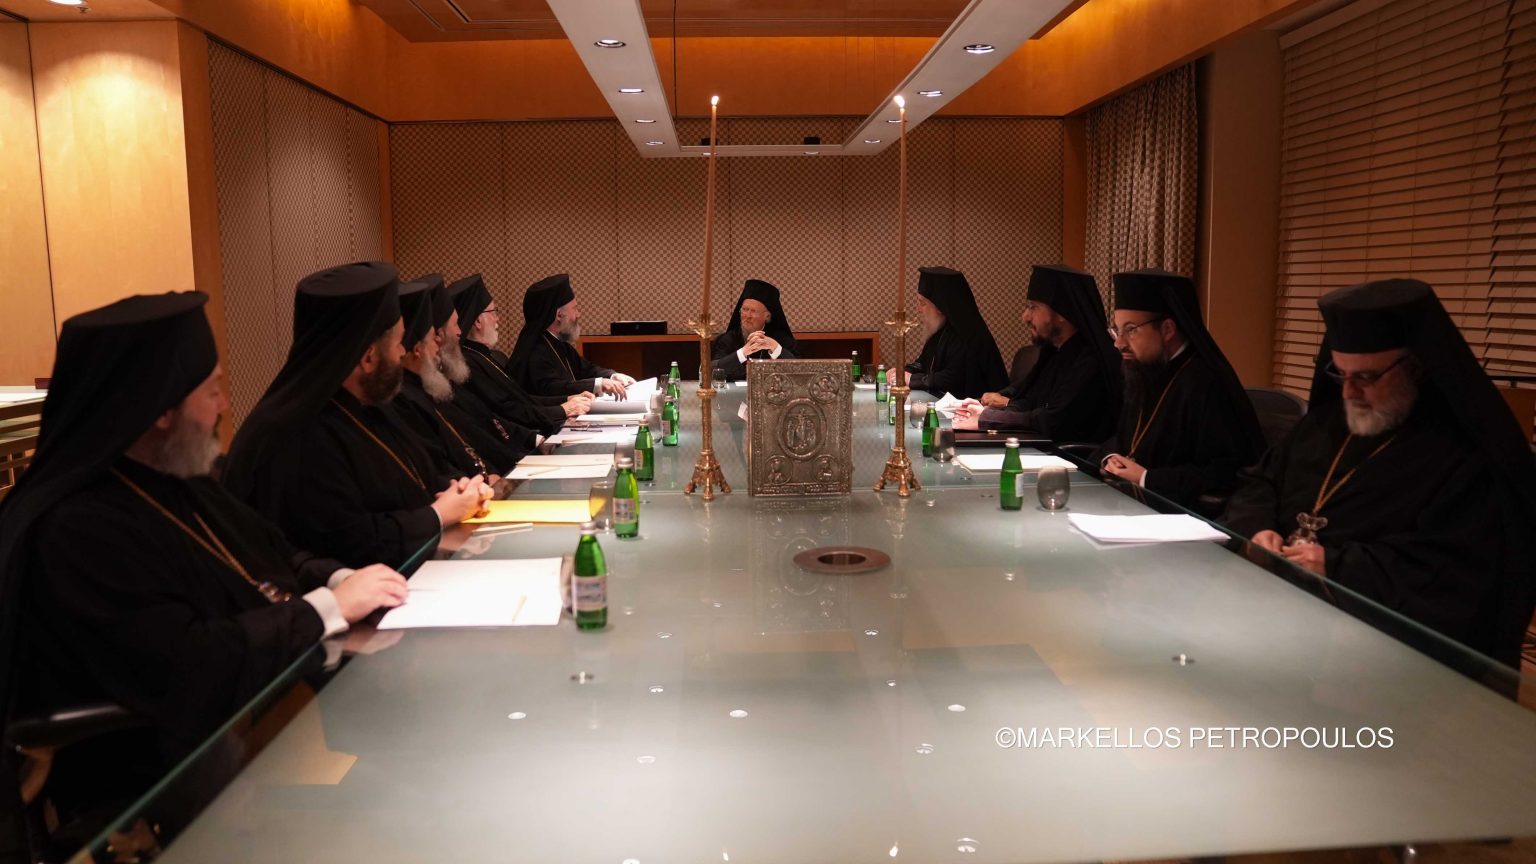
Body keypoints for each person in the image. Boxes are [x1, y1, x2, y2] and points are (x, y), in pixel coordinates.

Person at [0, 293, 409, 846]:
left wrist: (335, 580)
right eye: (213, 389)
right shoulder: (75, 527)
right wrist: (325, 612)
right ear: (162, 409)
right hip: (163, 788)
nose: (224, 407)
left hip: (262, 729)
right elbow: (185, 665)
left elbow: (269, 553)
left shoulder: (175, 479)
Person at [1223, 279, 1536, 667]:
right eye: (1340, 375)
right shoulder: (1323, 425)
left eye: (1366, 377)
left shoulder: (1463, 457)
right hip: (1280, 620)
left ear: (1415, 367)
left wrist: (1335, 566)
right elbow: (1260, 481)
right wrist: (1257, 529)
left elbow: (1454, 575)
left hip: (1381, 653)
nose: (1348, 393)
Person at [223, 262, 490, 568]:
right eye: (399, 341)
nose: (403, 352)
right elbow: (347, 539)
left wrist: (460, 488)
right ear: (368, 357)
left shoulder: (369, 405)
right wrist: (439, 514)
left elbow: (416, 476)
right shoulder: (297, 434)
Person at [1092, 269, 1265, 509]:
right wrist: (1111, 459)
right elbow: (1125, 438)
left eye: (1130, 330)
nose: (1119, 343)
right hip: (1130, 502)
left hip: (1180, 516)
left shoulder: (1206, 383)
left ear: (1167, 330)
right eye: (1116, 330)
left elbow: (1228, 472)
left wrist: (1147, 479)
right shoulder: (1146, 370)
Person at [954, 264, 1120, 441]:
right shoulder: (1055, 352)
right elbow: (1029, 402)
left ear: (1063, 312)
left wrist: (988, 418)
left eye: (1033, 307)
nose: (1025, 316)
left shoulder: (1090, 361)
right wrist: (985, 411)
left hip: (1067, 459)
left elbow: (1053, 421)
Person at [392, 277, 526, 479]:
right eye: (433, 337)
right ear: (417, 348)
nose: (459, 332)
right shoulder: (408, 399)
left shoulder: (432, 386)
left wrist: (489, 473)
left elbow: (475, 432)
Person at [452, 273, 591, 437]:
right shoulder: (469, 365)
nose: (498, 319)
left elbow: (523, 399)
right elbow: (508, 411)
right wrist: (561, 410)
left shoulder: (485, 356)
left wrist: (567, 400)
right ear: (477, 321)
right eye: (493, 312)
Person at [507, 273, 636, 398]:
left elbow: (586, 369)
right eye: (574, 308)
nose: (578, 314)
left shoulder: (560, 344)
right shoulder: (536, 352)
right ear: (559, 315)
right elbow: (551, 388)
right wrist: (598, 384)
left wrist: (612, 376)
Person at [903, 266, 1009, 400]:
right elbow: (923, 362)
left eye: (922, 303)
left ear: (940, 306)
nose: (918, 309)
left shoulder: (967, 335)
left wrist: (912, 379)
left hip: (975, 410)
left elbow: (953, 378)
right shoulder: (941, 329)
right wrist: (905, 371)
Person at [710, 279, 798, 381]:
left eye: (753, 311)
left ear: (767, 316)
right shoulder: (728, 339)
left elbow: (798, 372)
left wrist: (775, 347)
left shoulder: (781, 339)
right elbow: (712, 371)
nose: (747, 316)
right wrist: (743, 352)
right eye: (745, 310)